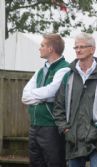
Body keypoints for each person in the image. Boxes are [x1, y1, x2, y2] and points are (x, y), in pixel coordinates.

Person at [53, 32, 97, 167]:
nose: (78, 50)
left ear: (92, 49)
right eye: (76, 47)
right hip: (73, 138)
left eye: (82, 47)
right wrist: (65, 129)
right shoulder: (68, 76)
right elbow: (58, 106)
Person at [22, 33, 70, 167]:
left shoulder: (64, 68)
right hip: (35, 126)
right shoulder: (40, 71)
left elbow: (52, 91)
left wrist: (38, 96)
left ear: (51, 49)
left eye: (42, 45)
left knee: (54, 162)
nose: (39, 48)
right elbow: (24, 96)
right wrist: (42, 97)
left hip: (51, 126)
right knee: (36, 162)